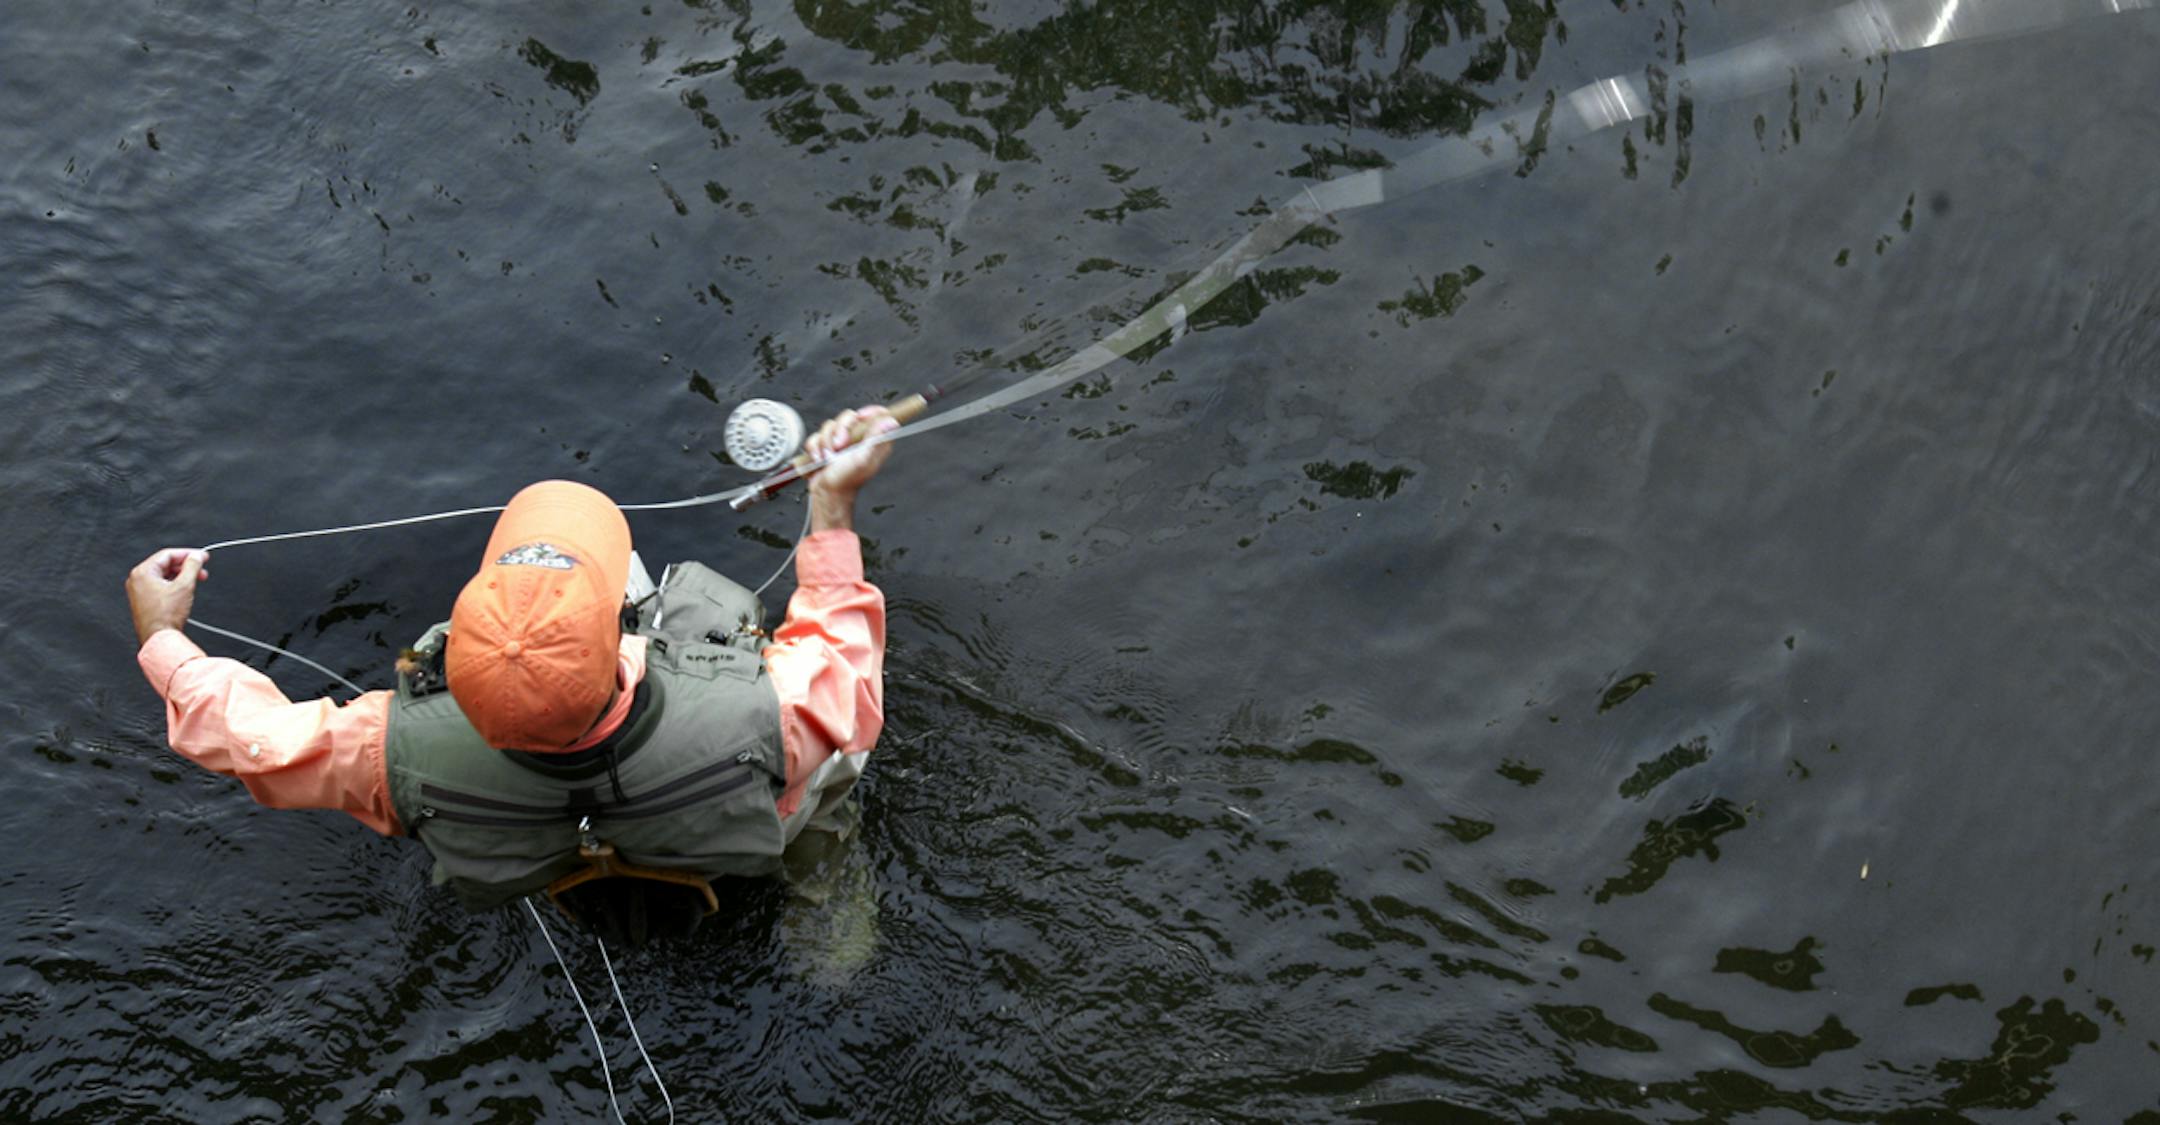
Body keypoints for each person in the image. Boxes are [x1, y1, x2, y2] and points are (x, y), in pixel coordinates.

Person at [126, 405, 900, 944]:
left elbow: (247, 738)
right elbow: (846, 667)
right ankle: (821, 870)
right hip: (707, 826)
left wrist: (163, 637)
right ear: (618, 639)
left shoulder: (384, 752)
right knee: (837, 750)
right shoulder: (767, 715)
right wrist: (832, 505)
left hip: (555, 857)